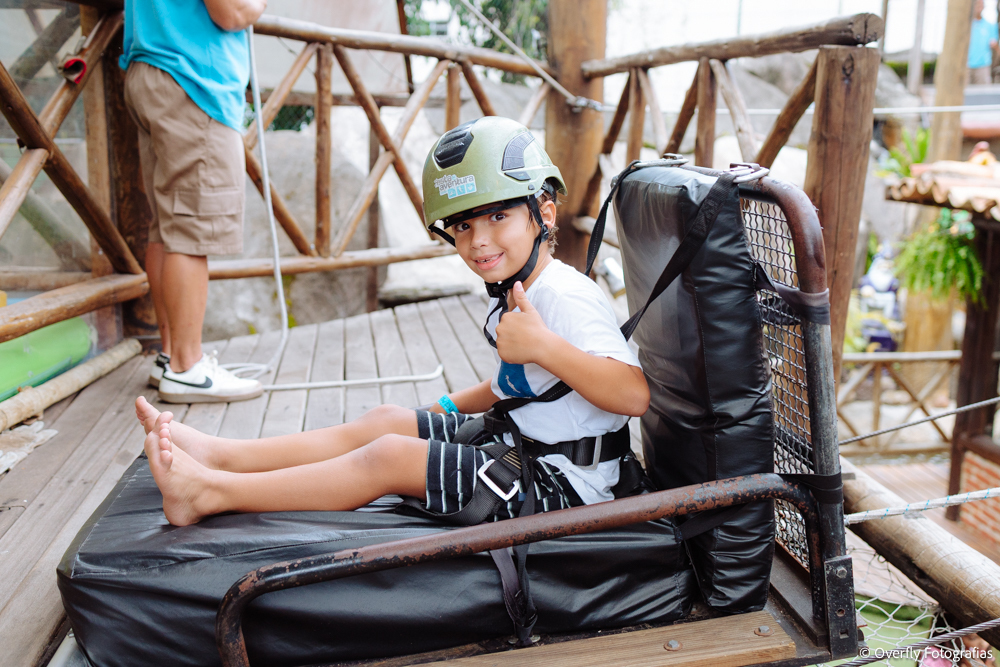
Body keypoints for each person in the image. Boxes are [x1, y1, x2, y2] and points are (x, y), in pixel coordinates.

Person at [135, 117, 650, 527]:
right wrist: (444, 408)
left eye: (499, 217)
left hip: (566, 488)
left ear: (544, 212)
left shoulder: (566, 295)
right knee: (385, 420)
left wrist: (543, 345)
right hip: (520, 445)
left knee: (388, 456)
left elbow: (633, 395)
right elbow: (513, 385)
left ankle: (209, 493)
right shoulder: (521, 290)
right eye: (464, 225)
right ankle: (222, 454)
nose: (479, 241)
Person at [120, 0, 267, 403]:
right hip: (193, 77)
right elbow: (232, 11)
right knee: (190, 230)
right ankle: (187, 367)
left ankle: (171, 357)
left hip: (151, 67)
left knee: (165, 228)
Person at [968, 0, 998, 85]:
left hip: (983, 66)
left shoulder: (990, 26)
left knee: (983, 94)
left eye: (981, 4)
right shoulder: (967, 26)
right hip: (966, 66)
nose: (978, 5)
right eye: (976, 3)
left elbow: (995, 45)